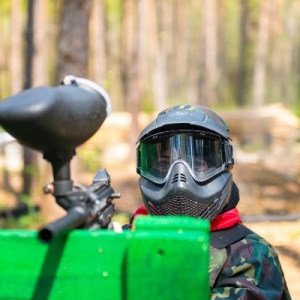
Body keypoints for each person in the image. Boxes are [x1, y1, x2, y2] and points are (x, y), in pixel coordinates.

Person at [126, 104, 291, 299]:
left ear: (225, 162)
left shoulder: (249, 254)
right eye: (163, 164)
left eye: (198, 163)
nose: (179, 178)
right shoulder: (125, 240)